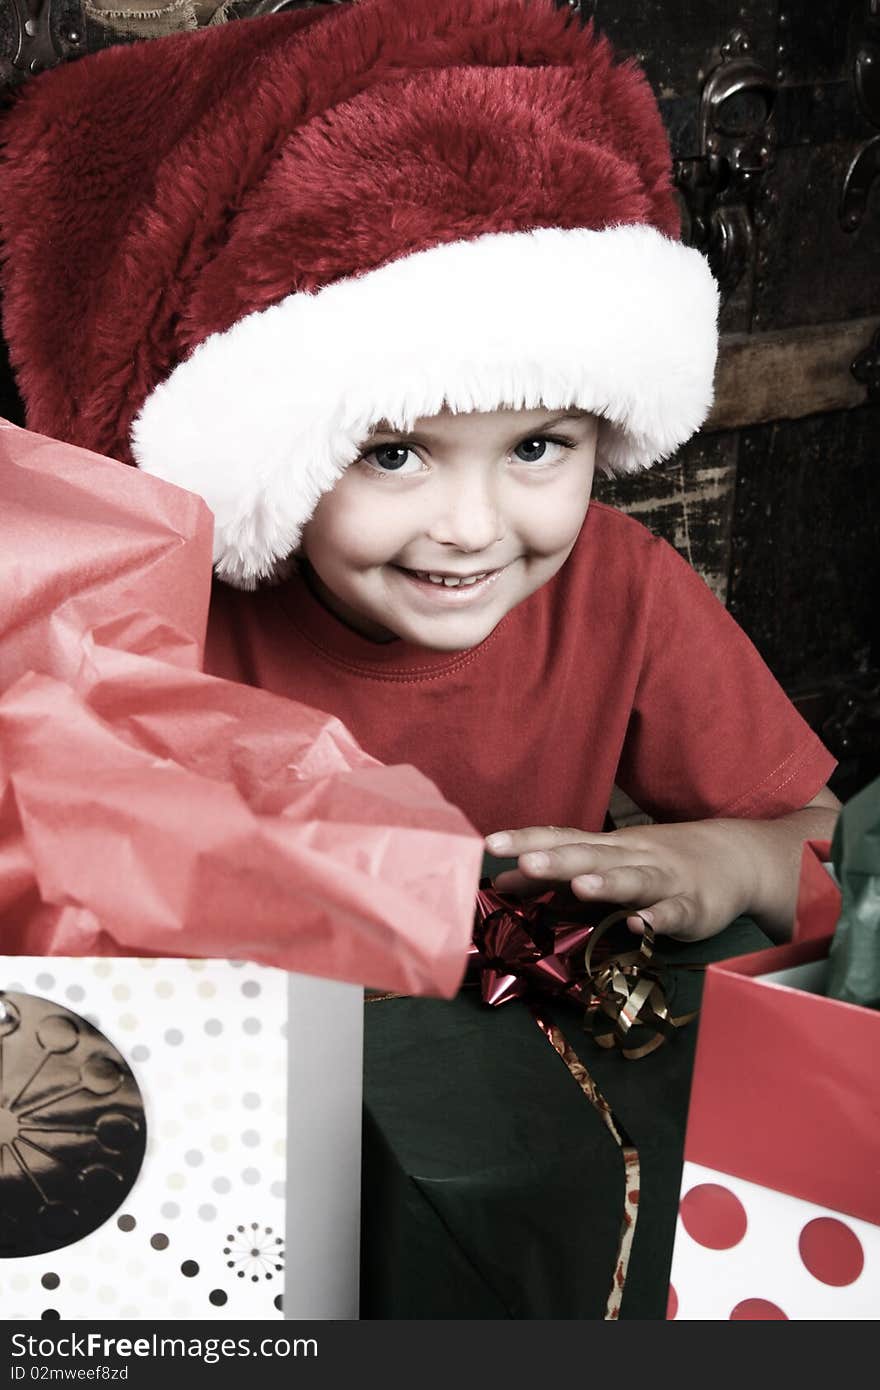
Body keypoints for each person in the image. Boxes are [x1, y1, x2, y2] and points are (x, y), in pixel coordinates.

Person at [0, 0, 839, 948]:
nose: (472, 528)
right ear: (282, 453)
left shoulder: (625, 592)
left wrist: (733, 861)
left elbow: (831, 841)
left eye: (537, 448)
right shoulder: (163, 621)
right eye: (393, 456)